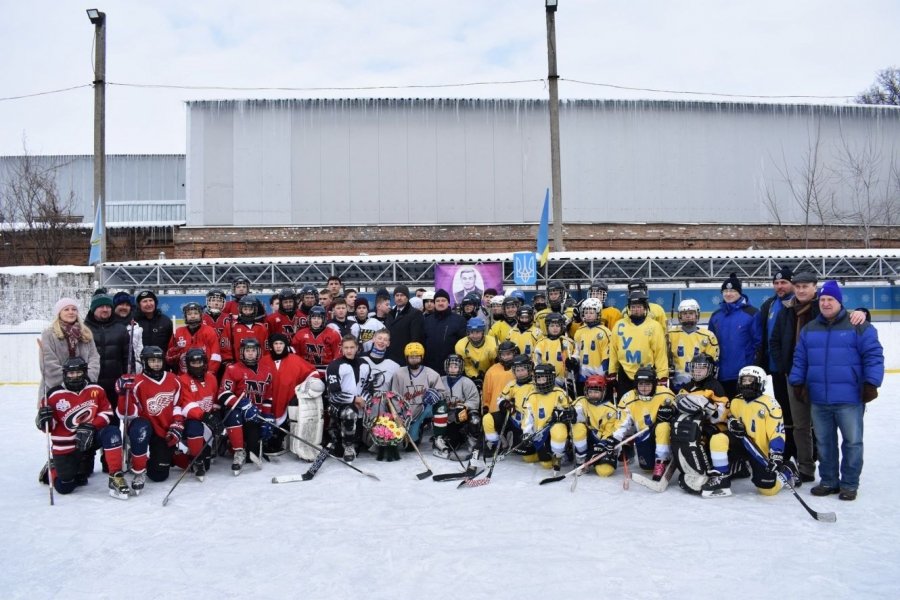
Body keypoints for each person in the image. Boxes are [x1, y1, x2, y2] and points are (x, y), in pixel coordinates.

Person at [789, 280, 884, 501]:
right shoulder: (810, 329)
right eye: (822, 299)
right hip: (819, 399)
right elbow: (800, 359)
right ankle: (829, 481)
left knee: (852, 442)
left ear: (839, 301)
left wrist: (871, 383)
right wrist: (797, 382)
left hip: (850, 398)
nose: (825, 303)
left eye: (830, 299)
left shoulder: (858, 326)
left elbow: (874, 356)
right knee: (825, 442)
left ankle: (849, 484)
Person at [685, 366, 797, 498]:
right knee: (718, 438)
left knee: (767, 490)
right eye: (744, 380)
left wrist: (776, 454)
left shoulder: (771, 404)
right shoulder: (736, 401)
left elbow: (777, 433)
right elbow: (730, 418)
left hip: (759, 451)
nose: (746, 383)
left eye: (750, 380)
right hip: (743, 443)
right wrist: (731, 422)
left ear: (760, 382)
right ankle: (722, 479)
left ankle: (789, 468)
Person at [36, 357, 131, 498]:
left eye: (79, 372)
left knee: (112, 432)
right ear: (65, 374)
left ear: (85, 372)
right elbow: (49, 427)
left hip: (91, 438)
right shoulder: (53, 395)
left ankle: (115, 477)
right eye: (71, 373)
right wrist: (42, 420)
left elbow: (107, 412)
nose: (75, 376)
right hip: (66, 445)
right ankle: (52, 467)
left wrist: (92, 426)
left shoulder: (96, 389)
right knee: (66, 487)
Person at [120, 346, 184, 492]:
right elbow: (128, 413)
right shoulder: (136, 382)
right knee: (140, 430)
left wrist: (177, 423)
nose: (156, 364)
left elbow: (178, 405)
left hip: (164, 430)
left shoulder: (174, 379)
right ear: (144, 362)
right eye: (152, 361)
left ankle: (159, 458)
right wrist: (123, 394)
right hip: (145, 426)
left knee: (158, 475)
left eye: (159, 360)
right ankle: (138, 469)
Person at [599, 367, 675, 479]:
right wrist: (615, 438)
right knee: (647, 467)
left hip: (665, 434)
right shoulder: (628, 398)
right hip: (645, 434)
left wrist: (672, 411)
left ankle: (661, 461)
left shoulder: (665, 393)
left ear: (654, 384)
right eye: (641, 384)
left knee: (662, 426)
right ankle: (654, 458)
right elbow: (622, 422)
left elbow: (680, 411)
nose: (644, 388)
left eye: (648, 384)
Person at [218, 338, 277, 474]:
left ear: (258, 353)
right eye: (247, 351)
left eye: (253, 351)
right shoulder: (232, 369)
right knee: (233, 415)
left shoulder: (267, 371)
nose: (250, 354)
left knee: (253, 454)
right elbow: (223, 394)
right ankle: (237, 451)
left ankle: (238, 444)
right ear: (242, 353)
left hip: (254, 414)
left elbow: (268, 396)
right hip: (236, 411)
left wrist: (266, 416)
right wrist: (242, 404)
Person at [755, 267, 796, 460]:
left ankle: (806, 452)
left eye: (784, 282)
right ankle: (787, 450)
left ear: (792, 283)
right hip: (774, 367)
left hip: (793, 368)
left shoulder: (798, 303)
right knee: (782, 410)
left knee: (799, 412)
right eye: (777, 283)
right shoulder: (769, 305)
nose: (780, 286)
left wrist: (862, 312)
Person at [259, 333, 321, 455]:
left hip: (288, 400)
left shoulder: (295, 359)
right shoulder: (263, 360)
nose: (278, 346)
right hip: (267, 401)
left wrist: (304, 389)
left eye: (281, 344)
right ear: (271, 346)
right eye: (275, 344)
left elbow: (312, 373)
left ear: (285, 345)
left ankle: (282, 439)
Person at [707, 273, 760, 399]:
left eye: (732, 290)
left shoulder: (752, 313)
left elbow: (759, 343)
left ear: (739, 292)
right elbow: (710, 343)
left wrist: (754, 366)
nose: (728, 294)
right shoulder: (716, 316)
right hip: (721, 375)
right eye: (725, 291)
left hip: (744, 374)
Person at [608, 289, 668, 398]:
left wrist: (662, 376)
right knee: (625, 404)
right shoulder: (619, 325)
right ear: (629, 308)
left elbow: (660, 353)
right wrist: (612, 371)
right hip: (624, 372)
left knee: (646, 403)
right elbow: (613, 350)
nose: (636, 310)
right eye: (633, 307)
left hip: (647, 371)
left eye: (639, 306)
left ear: (645, 308)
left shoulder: (654, 326)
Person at [325, 335, 375, 462]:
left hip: (359, 406)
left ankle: (357, 441)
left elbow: (369, 388)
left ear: (357, 348)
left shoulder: (365, 364)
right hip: (338, 407)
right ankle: (348, 447)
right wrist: (354, 400)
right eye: (346, 347)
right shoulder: (334, 366)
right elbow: (333, 394)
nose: (349, 350)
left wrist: (362, 399)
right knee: (349, 412)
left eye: (352, 347)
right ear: (341, 348)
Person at [39, 298, 100, 400]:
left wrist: (87, 379)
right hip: (56, 391)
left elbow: (94, 358)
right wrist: (67, 383)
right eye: (66, 309)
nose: (71, 312)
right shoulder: (49, 334)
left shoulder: (86, 333)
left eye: (74, 309)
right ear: (59, 313)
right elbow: (48, 363)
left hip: (84, 390)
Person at [176, 349, 222, 481]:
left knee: (207, 465)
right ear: (188, 365)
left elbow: (214, 400)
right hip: (189, 421)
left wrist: (216, 414)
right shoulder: (182, 380)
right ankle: (194, 459)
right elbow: (186, 405)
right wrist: (206, 417)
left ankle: (205, 453)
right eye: (194, 363)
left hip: (206, 420)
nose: (197, 365)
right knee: (195, 427)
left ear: (205, 363)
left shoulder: (211, 378)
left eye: (200, 362)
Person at [390, 342, 448, 445]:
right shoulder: (398, 374)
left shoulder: (431, 374)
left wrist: (437, 394)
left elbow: (443, 393)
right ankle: (418, 429)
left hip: (424, 410)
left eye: (417, 356)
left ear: (422, 357)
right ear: (406, 357)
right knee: (410, 445)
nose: (414, 359)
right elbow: (394, 396)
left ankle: (439, 437)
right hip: (406, 415)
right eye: (411, 356)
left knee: (440, 406)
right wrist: (398, 415)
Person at [520, 363, 574, 470]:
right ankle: (545, 453)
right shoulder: (532, 396)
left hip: (556, 430)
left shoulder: (559, 393)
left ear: (551, 379)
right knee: (545, 463)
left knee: (558, 429)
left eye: (543, 379)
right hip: (541, 433)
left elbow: (570, 411)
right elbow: (527, 417)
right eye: (538, 379)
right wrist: (526, 433)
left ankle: (560, 454)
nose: (540, 382)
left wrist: (562, 414)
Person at [84, 294, 131, 417]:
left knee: (113, 418)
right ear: (93, 309)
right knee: (91, 418)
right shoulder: (83, 329)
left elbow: (128, 358)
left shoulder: (121, 329)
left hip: (114, 386)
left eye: (108, 306)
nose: (105, 309)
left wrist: (129, 379)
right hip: (91, 384)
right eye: (101, 306)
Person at [484, 354, 535, 459]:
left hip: (528, 424)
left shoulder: (535, 385)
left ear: (529, 369)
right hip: (513, 418)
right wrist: (504, 403)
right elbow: (501, 398)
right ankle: (497, 444)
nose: (520, 373)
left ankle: (515, 440)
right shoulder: (512, 384)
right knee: (488, 419)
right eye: (517, 370)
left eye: (523, 370)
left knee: (527, 457)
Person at [432, 354, 482, 460]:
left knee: (475, 419)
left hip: (464, 416)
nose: (453, 369)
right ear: (446, 367)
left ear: (460, 368)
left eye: (455, 366)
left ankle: (473, 441)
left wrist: (464, 406)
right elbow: (438, 398)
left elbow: (474, 401)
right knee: (451, 443)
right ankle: (452, 438)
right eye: (450, 366)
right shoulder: (441, 380)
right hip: (449, 418)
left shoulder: (467, 382)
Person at [667, 298, 719, 392]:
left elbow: (713, 363)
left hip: (699, 384)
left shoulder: (708, 336)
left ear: (697, 314)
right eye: (684, 314)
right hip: (675, 383)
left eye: (691, 313)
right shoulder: (670, 335)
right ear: (680, 316)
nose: (688, 316)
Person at [571, 375, 620, 475]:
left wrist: (602, 444)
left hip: (601, 442)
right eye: (590, 392)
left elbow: (609, 432)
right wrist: (572, 414)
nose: (593, 395)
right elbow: (577, 413)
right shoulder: (581, 401)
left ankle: (593, 458)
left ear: (603, 392)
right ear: (586, 391)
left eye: (596, 392)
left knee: (604, 472)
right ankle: (581, 459)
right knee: (578, 427)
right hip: (586, 438)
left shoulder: (611, 410)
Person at [166, 302, 221, 375]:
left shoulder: (209, 331)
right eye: (189, 314)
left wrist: (210, 372)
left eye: (195, 313)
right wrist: (173, 353)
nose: (192, 316)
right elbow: (169, 358)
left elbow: (215, 355)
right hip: (183, 375)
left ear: (201, 315)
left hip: (205, 374)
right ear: (185, 316)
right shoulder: (178, 332)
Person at [422, 288, 466, 375]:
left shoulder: (459, 320)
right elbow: (423, 341)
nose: (440, 303)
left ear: (448, 302)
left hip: (452, 367)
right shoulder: (427, 321)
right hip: (431, 368)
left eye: (443, 300)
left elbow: (463, 344)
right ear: (434, 303)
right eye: (437, 301)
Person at [572, 298, 612, 391]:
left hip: (599, 376)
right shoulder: (579, 331)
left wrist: (602, 374)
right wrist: (573, 360)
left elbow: (607, 356)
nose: (588, 315)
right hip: (582, 375)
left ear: (598, 313)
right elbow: (577, 351)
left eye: (591, 312)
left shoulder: (605, 332)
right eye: (586, 312)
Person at [220, 295, 269, 367]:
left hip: (258, 366)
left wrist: (263, 365)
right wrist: (229, 363)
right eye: (245, 309)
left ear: (255, 310)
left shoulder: (261, 328)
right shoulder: (232, 326)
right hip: (236, 366)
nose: (248, 312)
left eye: (250, 309)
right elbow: (225, 347)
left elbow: (265, 350)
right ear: (240, 309)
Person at [291, 305, 341, 375]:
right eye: (314, 318)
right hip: (306, 370)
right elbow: (295, 356)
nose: (316, 321)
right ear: (309, 319)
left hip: (327, 370)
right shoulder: (300, 334)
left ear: (324, 319)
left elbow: (337, 356)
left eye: (319, 318)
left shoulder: (333, 334)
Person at [534, 312, 578, 391]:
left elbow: (576, 356)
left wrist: (574, 361)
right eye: (552, 326)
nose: (555, 328)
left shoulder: (568, 342)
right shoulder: (540, 343)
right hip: (546, 381)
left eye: (557, 326)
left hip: (565, 380)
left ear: (561, 327)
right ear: (547, 327)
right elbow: (536, 364)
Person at [385, 285, 425, 366]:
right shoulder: (390, 314)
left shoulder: (415, 314)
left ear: (407, 297)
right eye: (397, 295)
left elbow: (415, 338)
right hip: (389, 358)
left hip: (405, 359)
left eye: (402, 295)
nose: (399, 298)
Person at [454, 316, 497, 388]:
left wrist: (488, 375)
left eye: (477, 332)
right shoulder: (460, 345)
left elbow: (496, 365)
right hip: (471, 378)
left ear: (483, 332)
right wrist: (475, 377)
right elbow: (467, 365)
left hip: (492, 375)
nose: (474, 336)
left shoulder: (493, 344)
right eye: (471, 332)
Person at [481, 341, 518, 415]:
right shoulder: (492, 370)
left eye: (508, 354)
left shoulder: (520, 369)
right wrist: (485, 406)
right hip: (495, 410)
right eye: (503, 355)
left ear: (514, 353)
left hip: (515, 411)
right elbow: (486, 392)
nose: (505, 357)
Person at [111, 291, 143, 374]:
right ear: (115, 306)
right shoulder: (108, 325)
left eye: (127, 305)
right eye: (121, 304)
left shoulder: (135, 326)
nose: (124, 307)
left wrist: (138, 365)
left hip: (131, 371)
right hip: (112, 371)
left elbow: (139, 349)